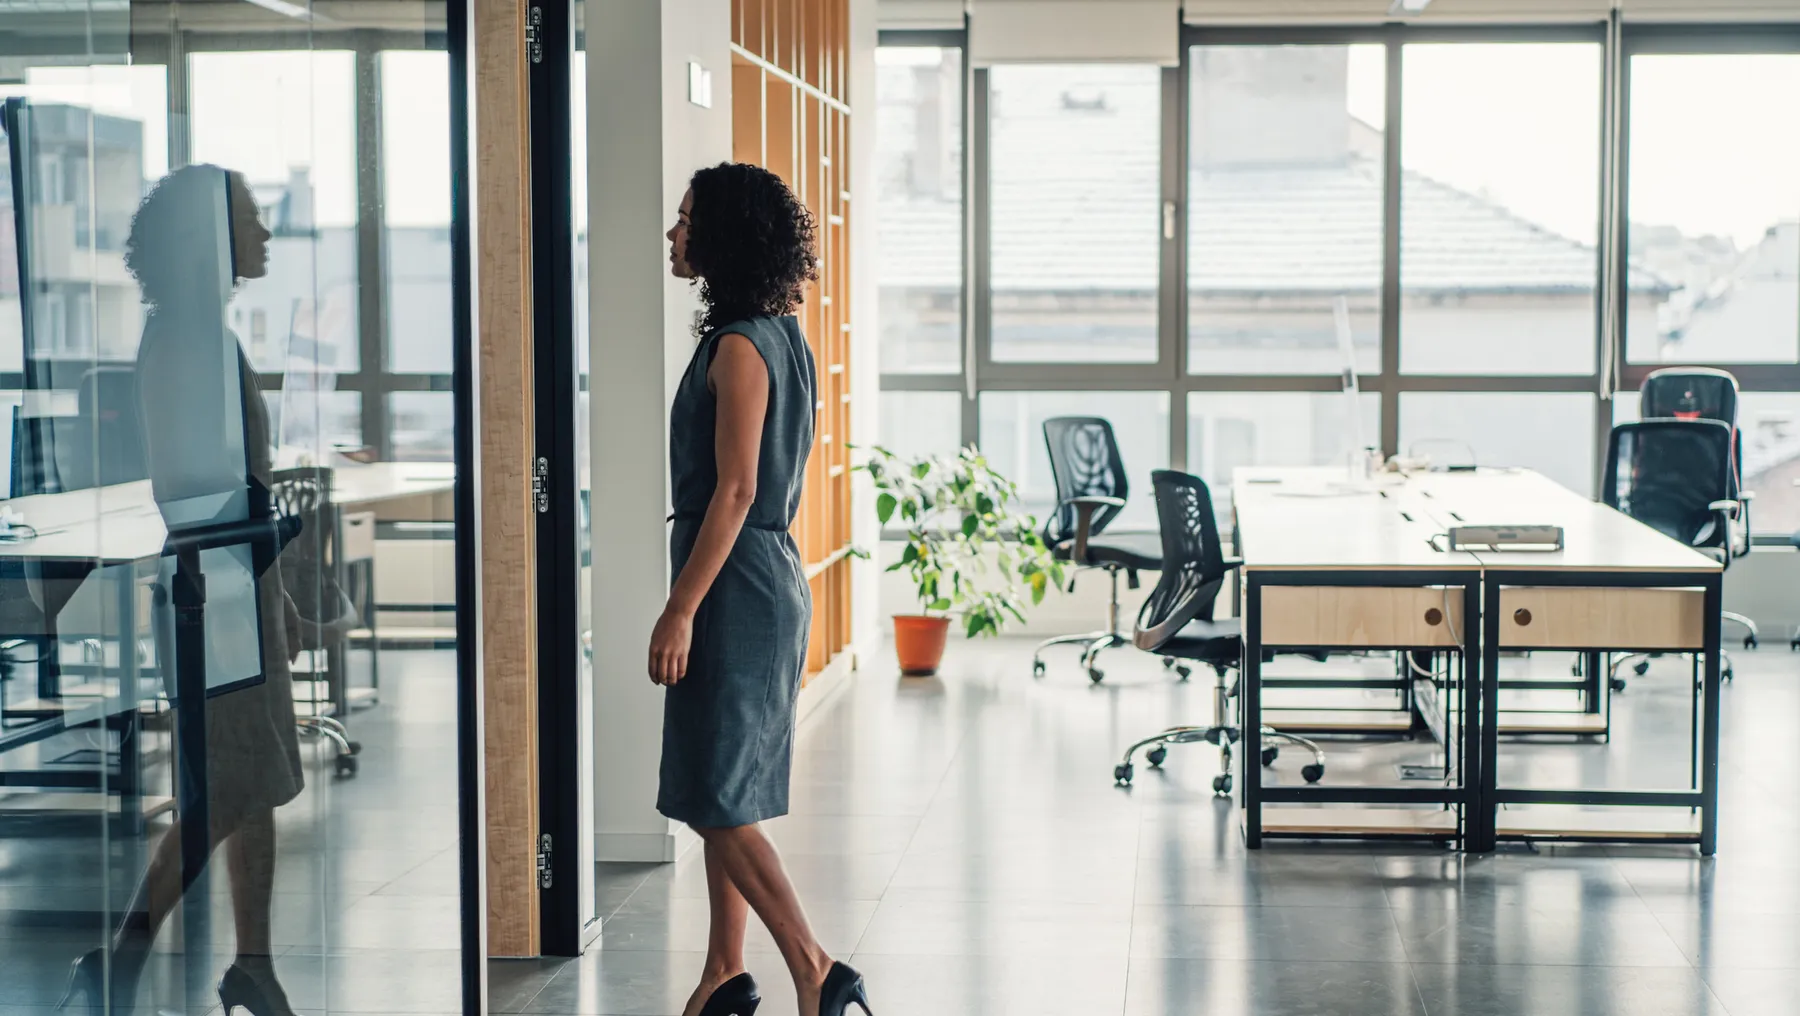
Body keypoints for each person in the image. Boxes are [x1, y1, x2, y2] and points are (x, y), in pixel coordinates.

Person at [60, 165, 304, 1016]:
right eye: (251, 219)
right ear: (210, 240)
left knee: (254, 777)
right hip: (216, 592)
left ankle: (254, 965)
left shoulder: (203, 333)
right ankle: (124, 953)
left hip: (236, 584)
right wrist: (262, 528)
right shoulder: (187, 341)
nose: (265, 235)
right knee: (232, 785)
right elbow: (192, 484)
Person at [652, 163, 871, 1016]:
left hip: (735, 582)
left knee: (714, 795)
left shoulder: (741, 345)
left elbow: (736, 492)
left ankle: (817, 970)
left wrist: (680, 608)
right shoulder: (779, 331)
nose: (673, 234)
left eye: (684, 220)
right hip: (758, 573)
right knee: (724, 787)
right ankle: (722, 972)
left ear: (723, 239)